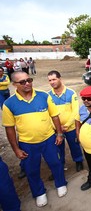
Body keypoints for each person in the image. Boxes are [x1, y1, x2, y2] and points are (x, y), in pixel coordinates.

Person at [2, 71, 67, 207]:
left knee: (56, 162)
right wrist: (16, 149)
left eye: (29, 80)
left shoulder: (44, 96)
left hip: (49, 139)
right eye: (22, 82)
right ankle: (39, 192)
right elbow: (9, 128)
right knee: (31, 170)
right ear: (14, 85)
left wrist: (59, 134)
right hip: (27, 143)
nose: (27, 84)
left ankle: (61, 183)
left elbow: (55, 116)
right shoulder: (9, 104)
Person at [48, 70, 84, 171]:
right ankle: (61, 164)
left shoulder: (71, 93)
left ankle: (78, 161)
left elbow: (75, 111)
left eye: (54, 79)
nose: (52, 82)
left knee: (74, 146)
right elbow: (48, 114)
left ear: (60, 79)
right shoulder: (48, 95)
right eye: (50, 80)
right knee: (58, 148)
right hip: (56, 129)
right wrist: (57, 127)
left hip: (70, 127)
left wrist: (67, 125)